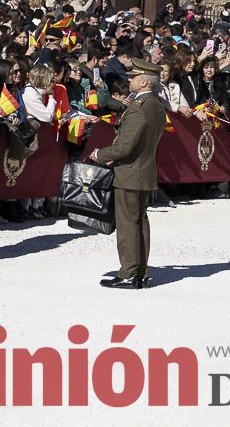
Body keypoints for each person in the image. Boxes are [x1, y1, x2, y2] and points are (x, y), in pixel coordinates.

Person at [89, 59, 167, 290]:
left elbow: (124, 147)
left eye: (133, 77)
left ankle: (128, 273)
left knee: (127, 225)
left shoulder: (138, 109)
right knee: (139, 222)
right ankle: (140, 271)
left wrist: (99, 154)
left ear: (143, 82)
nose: (130, 80)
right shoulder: (156, 106)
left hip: (130, 171)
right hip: (144, 170)